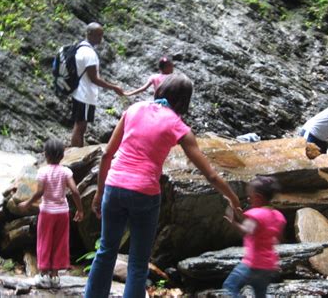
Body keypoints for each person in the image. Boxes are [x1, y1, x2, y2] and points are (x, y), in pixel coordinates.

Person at [84, 74, 241, 298]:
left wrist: (99, 192)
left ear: (160, 90)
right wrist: (233, 198)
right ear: (184, 101)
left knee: (106, 251)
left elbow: (107, 154)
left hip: (115, 185)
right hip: (144, 193)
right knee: (138, 263)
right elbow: (211, 175)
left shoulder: (134, 109)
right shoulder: (179, 127)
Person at [19, 139, 84, 288]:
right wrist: (80, 209)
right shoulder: (66, 171)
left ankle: (43, 275)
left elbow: (40, 191)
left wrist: (27, 203)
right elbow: (75, 191)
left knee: (45, 241)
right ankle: (55, 277)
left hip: (48, 212)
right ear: (62, 156)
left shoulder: (43, 171)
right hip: (62, 212)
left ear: (46, 155)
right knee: (60, 242)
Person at [222, 176, 286, 298]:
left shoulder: (256, 214)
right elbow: (278, 239)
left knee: (230, 286)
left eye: (250, 197)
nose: (248, 198)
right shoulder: (278, 216)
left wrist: (233, 223)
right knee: (260, 294)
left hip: (252, 264)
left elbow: (247, 231)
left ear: (258, 197)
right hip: (269, 266)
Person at [71, 22, 124, 147]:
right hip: (84, 95)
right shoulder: (89, 53)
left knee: (79, 125)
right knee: (80, 126)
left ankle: (76, 151)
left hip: (79, 93)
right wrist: (114, 87)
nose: (101, 38)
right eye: (98, 35)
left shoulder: (80, 48)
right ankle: (75, 154)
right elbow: (94, 78)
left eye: (102, 35)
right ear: (90, 34)